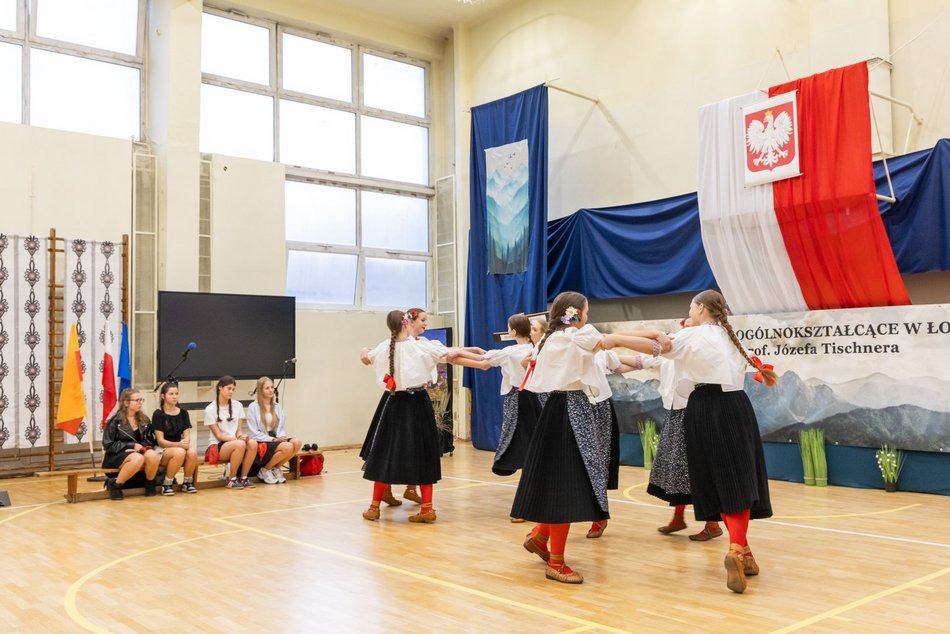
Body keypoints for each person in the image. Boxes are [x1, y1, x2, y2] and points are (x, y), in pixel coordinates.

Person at [512, 291, 669, 583]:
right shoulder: (574, 337)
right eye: (586, 310)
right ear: (576, 314)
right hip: (572, 410)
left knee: (564, 479)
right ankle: (556, 562)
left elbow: (613, 354)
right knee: (568, 483)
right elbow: (612, 341)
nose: (588, 315)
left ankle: (540, 535)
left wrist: (650, 347)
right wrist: (655, 339)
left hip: (565, 409)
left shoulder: (558, 338)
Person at [656, 289, 776, 594]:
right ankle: (742, 551)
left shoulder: (693, 336)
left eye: (691, 308)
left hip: (703, 408)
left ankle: (738, 550)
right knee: (737, 476)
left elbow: (662, 346)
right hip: (736, 406)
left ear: (699, 309)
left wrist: (612, 341)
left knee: (717, 479)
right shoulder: (730, 337)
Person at [615, 318, 723, 541]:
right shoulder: (671, 347)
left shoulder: (695, 347)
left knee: (695, 467)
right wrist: (602, 357)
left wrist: (610, 342)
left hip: (692, 411)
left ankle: (712, 522)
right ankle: (679, 517)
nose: (685, 323)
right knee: (678, 469)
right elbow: (637, 361)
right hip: (675, 412)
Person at [361, 310, 461, 523]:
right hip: (418, 404)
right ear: (406, 323)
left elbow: (365, 357)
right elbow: (450, 354)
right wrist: (481, 356)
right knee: (423, 451)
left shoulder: (383, 347)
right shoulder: (419, 346)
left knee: (384, 451)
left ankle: (374, 507)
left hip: (394, 402)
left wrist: (364, 350)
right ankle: (427, 508)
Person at [102, 388, 160, 500]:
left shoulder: (144, 419)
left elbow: (149, 441)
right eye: (137, 400)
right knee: (137, 458)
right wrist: (130, 446)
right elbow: (108, 445)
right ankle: (116, 485)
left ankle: (150, 484)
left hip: (139, 452)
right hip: (116, 455)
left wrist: (141, 448)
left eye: (141, 400)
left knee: (153, 455)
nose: (140, 402)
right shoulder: (115, 421)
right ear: (126, 402)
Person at [204, 376, 258, 489]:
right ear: (220, 388)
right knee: (240, 444)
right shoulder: (210, 409)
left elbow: (238, 431)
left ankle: (243, 477)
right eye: (229, 388)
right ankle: (231, 479)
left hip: (235, 442)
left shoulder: (237, 405)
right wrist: (237, 440)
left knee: (253, 443)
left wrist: (241, 436)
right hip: (217, 446)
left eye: (233, 389)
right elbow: (218, 436)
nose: (231, 392)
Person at [246, 376, 301, 484]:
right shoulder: (253, 407)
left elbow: (280, 427)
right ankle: (265, 470)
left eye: (272, 387)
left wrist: (281, 438)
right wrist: (273, 440)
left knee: (297, 442)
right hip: (262, 441)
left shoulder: (277, 406)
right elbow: (254, 433)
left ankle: (275, 468)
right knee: (288, 447)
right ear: (260, 390)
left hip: (275, 439)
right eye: (267, 388)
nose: (271, 390)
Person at [152, 382, 199, 495]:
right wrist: (179, 445)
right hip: (162, 449)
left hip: (179, 446)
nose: (174, 396)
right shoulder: (158, 414)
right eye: (171, 394)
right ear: (163, 396)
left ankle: (187, 482)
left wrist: (186, 442)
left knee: (192, 452)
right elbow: (160, 441)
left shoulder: (183, 413)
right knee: (179, 452)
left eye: (176, 394)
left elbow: (187, 435)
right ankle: (167, 483)